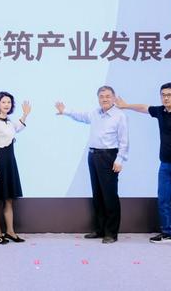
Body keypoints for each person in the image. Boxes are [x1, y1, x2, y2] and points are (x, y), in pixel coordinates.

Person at [116, 82, 171, 249]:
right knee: (163, 199)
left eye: (169, 95)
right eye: (163, 95)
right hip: (165, 164)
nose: (165, 98)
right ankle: (167, 233)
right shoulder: (160, 111)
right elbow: (144, 108)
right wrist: (126, 106)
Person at [56, 85, 128, 244]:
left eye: (108, 96)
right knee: (98, 194)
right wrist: (65, 111)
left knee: (109, 195)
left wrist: (119, 159)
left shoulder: (119, 116)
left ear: (114, 98)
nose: (104, 99)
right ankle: (100, 229)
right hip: (93, 156)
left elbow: (124, 141)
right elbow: (81, 116)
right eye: (101, 96)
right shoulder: (95, 113)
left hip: (109, 156)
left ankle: (111, 233)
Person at [0, 91, 31, 244]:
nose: (6, 105)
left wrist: (25, 115)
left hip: (10, 163)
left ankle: (10, 232)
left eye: (9, 102)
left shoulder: (9, 122)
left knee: (9, 200)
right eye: (3, 102)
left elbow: (17, 128)